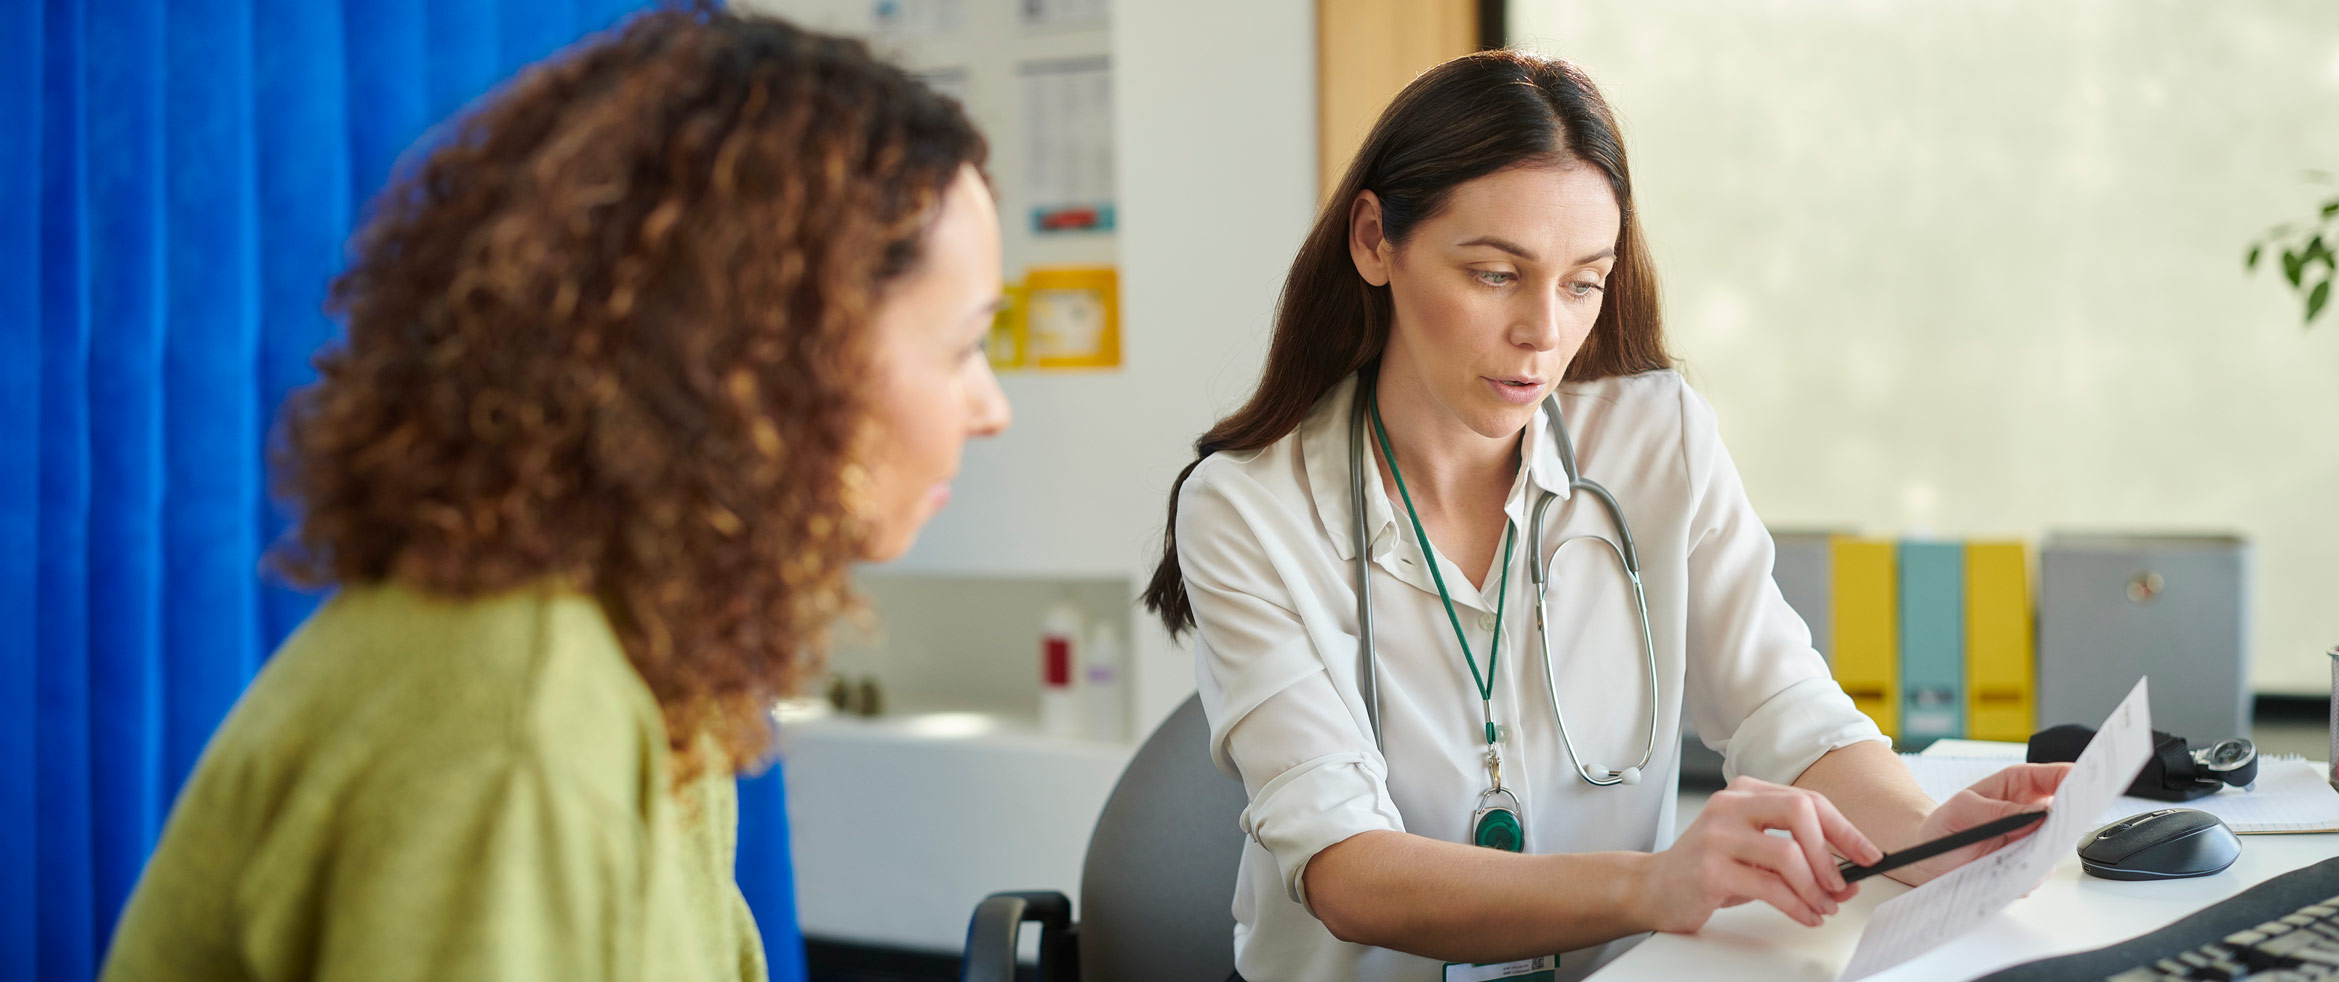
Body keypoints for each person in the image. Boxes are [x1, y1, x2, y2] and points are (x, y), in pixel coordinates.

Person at [100, 6, 1009, 980]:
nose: (989, 408)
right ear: (767, 363)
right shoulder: (516, 717)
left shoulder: (658, 670)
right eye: (961, 346)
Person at [1141, 49, 2065, 981]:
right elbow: (1347, 871)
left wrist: (1924, 835)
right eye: (1496, 274)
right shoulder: (1247, 508)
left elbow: (1783, 705)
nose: (1544, 332)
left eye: (1583, 282)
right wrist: (1652, 885)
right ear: (1376, 240)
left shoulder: (1655, 438)